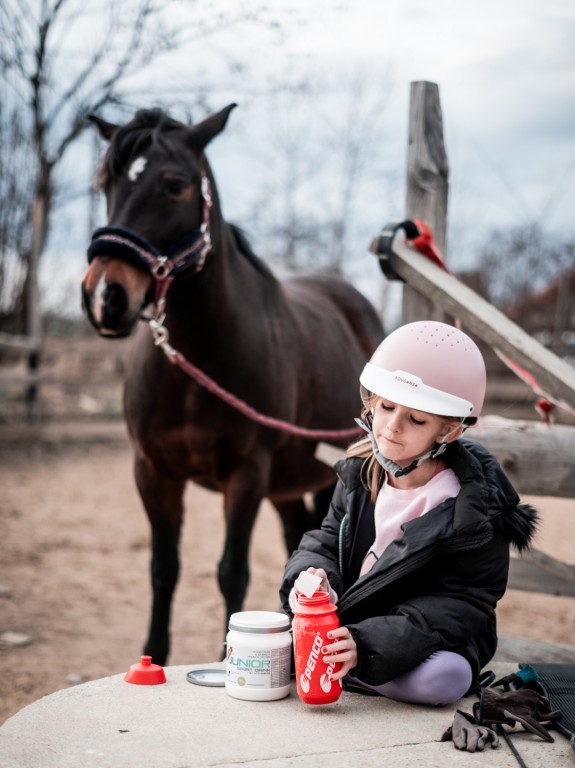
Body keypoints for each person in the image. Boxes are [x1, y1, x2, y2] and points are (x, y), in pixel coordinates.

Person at [279, 320, 537, 706]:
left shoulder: (475, 511)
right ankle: (340, 666)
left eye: (416, 420)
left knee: (444, 678)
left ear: (448, 432)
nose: (392, 428)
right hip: (348, 624)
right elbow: (326, 540)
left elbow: (463, 603)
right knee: (260, 632)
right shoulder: (361, 471)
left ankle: (338, 668)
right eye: (385, 406)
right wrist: (315, 579)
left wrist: (367, 646)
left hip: (423, 639)